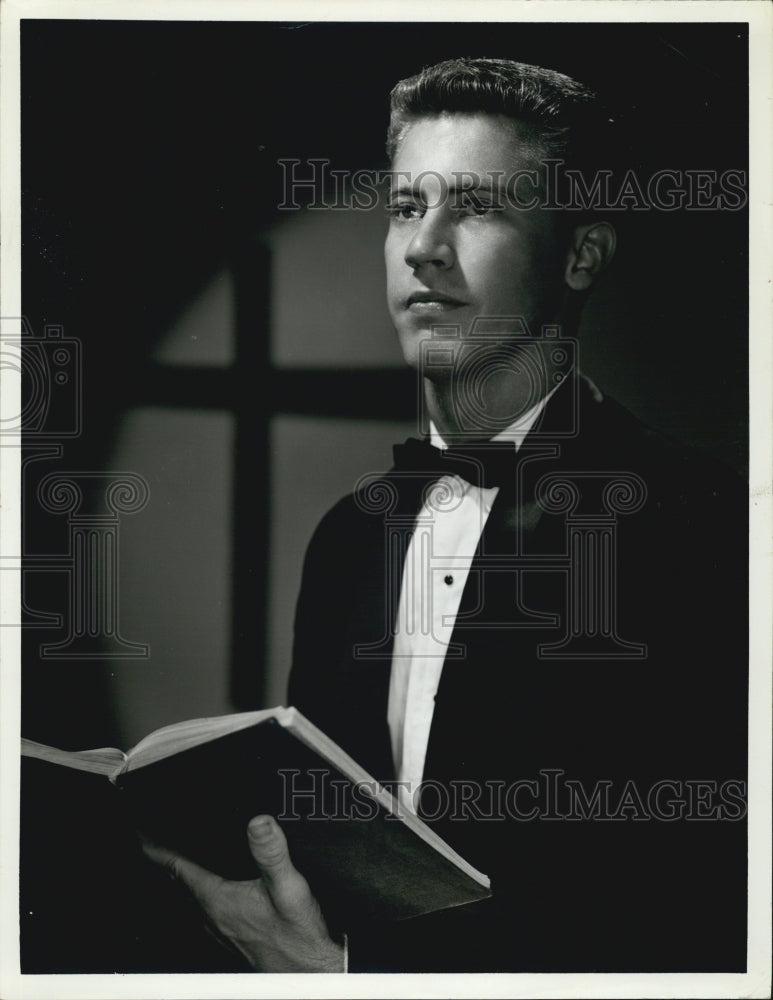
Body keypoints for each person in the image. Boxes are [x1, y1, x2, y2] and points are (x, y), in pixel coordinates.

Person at [144, 57, 747, 973]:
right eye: (402, 208)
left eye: (475, 206)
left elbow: (702, 912)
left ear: (580, 254)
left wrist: (349, 981)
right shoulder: (349, 535)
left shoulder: (708, 528)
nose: (423, 246)